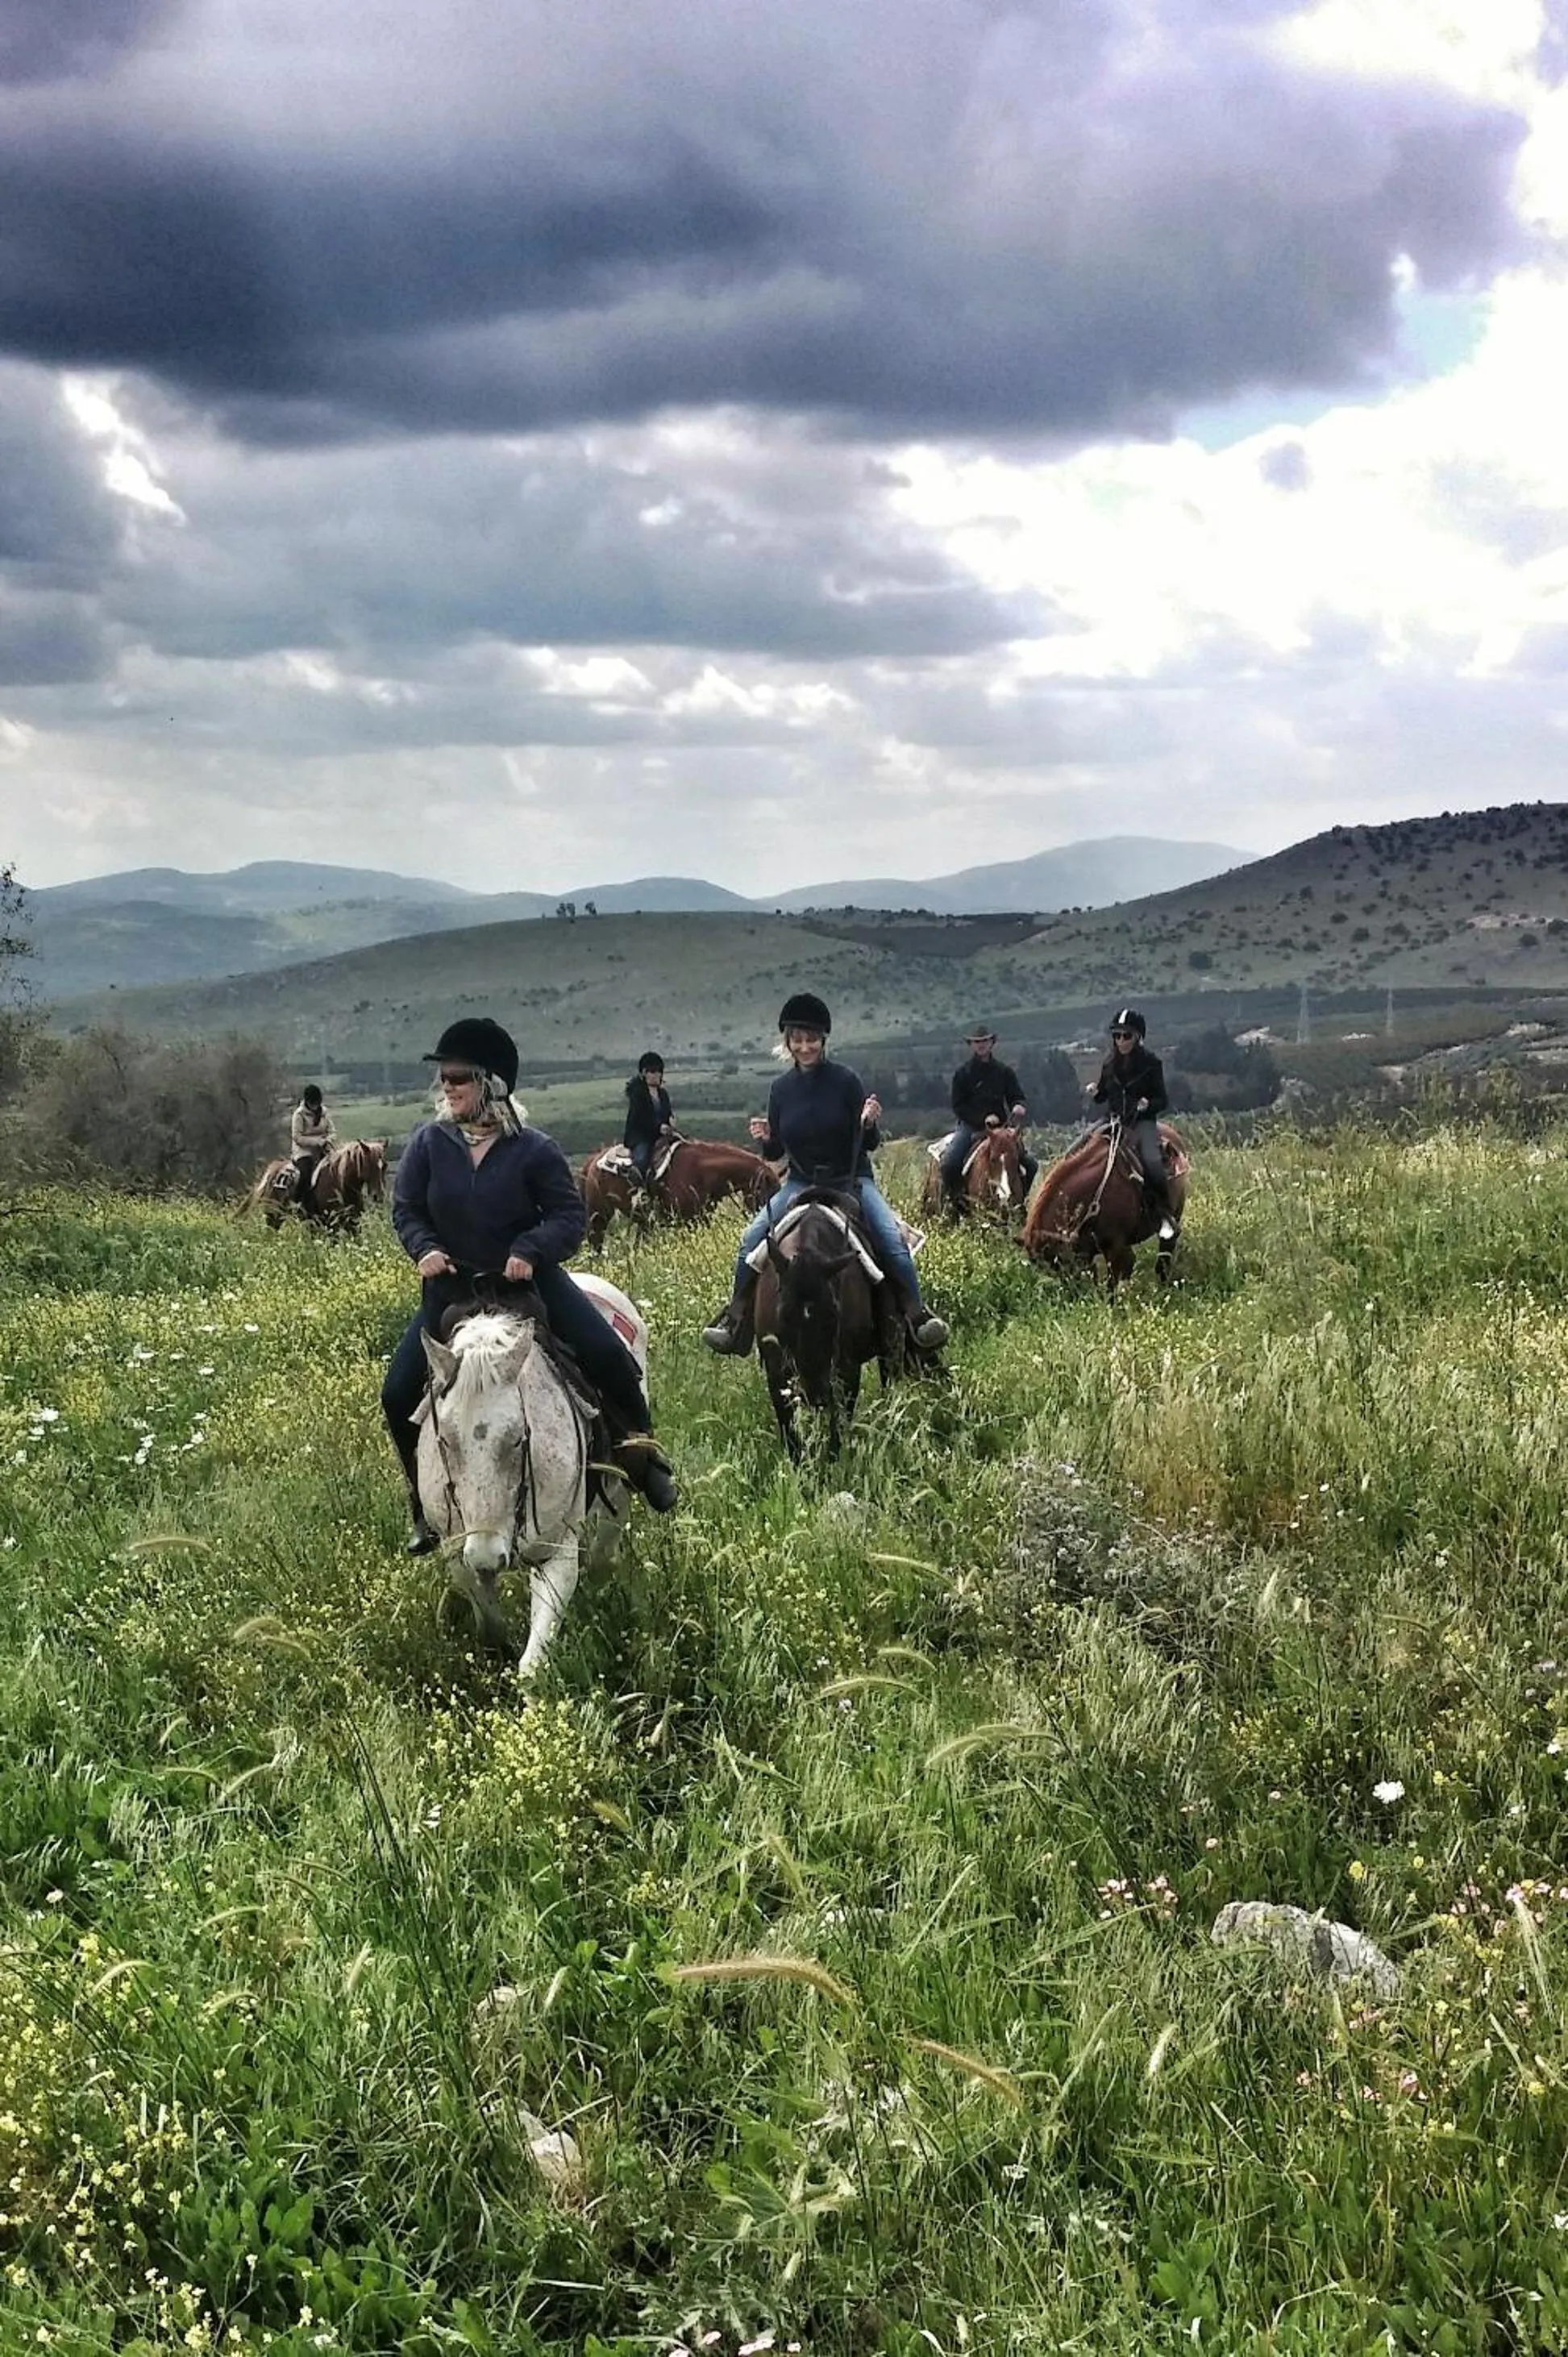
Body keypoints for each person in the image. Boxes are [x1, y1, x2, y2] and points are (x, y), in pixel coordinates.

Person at [384, 1016, 677, 1553]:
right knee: (396, 1391)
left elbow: (567, 1216)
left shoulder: (535, 1149)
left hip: (527, 1287)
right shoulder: (428, 1144)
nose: (446, 1086)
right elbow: (406, 1209)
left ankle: (642, 1459)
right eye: (444, 1077)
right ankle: (423, 1508)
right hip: (451, 1292)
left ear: (490, 1084)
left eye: (458, 1077)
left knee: (608, 1355)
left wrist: (529, 1250)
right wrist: (423, 1248)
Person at [702, 993, 948, 1356]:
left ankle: (916, 1315)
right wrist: (767, 1140)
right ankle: (736, 1319)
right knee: (750, 1240)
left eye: (812, 1039)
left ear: (823, 1040)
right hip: (801, 1183)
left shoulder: (846, 1081)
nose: (805, 1047)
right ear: (787, 1041)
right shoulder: (780, 1090)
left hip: (851, 1181)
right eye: (798, 1039)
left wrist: (867, 1123)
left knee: (891, 1241)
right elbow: (776, 1153)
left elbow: (869, 1142)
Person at [1083, 1007, 1177, 1241]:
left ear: (1138, 1037)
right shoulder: (1109, 1064)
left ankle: (1164, 1215)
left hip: (1141, 1123)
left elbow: (1162, 1100)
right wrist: (1095, 1093)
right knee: (1076, 1149)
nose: (1121, 1041)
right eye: (1117, 1036)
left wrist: (1148, 1104)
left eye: (1126, 1036)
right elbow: (1104, 1095)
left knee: (1153, 1162)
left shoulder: (1152, 1064)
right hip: (1112, 1121)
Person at [938, 1025, 1038, 1208]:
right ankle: (956, 1203)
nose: (981, 1045)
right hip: (970, 1126)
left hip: (1001, 1129)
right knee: (950, 1163)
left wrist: (1018, 1105)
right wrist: (982, 1119)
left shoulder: (1004, 1072)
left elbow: (1017, 1096)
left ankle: (1019, 1203)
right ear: (971, 1045)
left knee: (1031, 1165)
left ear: (992, 1043)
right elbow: (958, 1106)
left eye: (985, 1041)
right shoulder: (963, 1074)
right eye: (977, 1042)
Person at [623, 1052, 673, 1191]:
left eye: (659, 1072)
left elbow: (667, 1113)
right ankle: (637, 1191)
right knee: (642, 1159)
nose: (657, 1075)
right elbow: (639, 1118)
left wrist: (670, 1122)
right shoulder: (637, 1093)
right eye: (653, 1072)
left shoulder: (663, 1094)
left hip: (661, 1135)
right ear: (644, 1073)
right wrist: (658, 1127)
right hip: (641, 1136)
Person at [289, 1084, 335, 1210]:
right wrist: (317, 1142)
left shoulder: (325, 1113)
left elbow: (332, 1131)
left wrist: (328, 1140)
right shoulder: (299, 1115)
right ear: (308, 1102)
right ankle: (300, 1202)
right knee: (305, 1174)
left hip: (324, 1150)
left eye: (317, 1103)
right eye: (313, 1103)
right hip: (304, 1152)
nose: (315, 1107)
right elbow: (297, 1137)